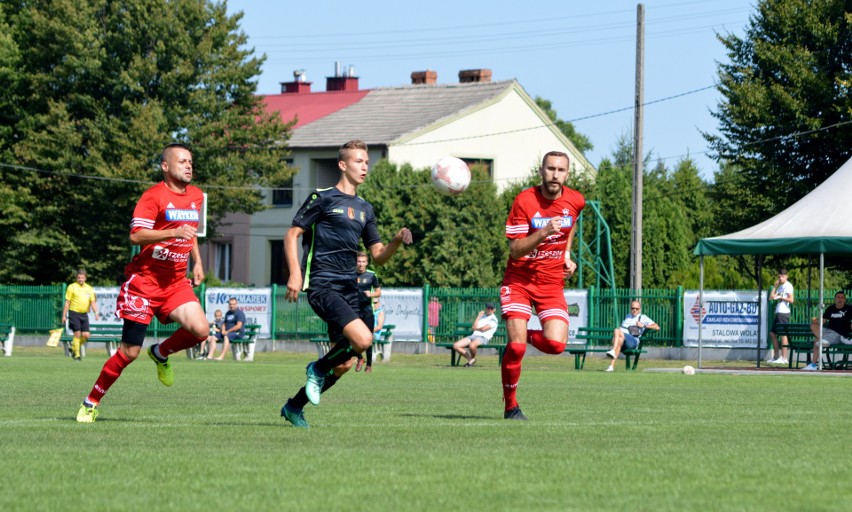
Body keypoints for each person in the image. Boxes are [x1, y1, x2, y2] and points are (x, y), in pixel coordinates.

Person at [280, 140, 413, 429]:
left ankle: (294, 406)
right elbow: (291, 235)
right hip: (322, 284)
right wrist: (294, 274)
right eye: (358, 161)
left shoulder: (365, 208)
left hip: (349, 288)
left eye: (367, 162)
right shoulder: (323, 198)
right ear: (343, 165)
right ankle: (316, 368)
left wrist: (396, 240)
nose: (364, 166)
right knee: (363, 340)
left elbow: (377, 256)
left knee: (344, 363)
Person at [75, 143, 209, 423]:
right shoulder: (153, 196)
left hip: (175, 283)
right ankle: (91, 402)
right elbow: (136, 236)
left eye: (191, 162)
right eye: (182, 161)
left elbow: (190, 232)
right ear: (165, 166)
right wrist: (171, 231)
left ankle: (161, 352)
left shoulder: (196, 196)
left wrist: (197, 261)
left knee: (201, 330)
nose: (188, 166)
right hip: (144, 284)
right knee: (129, 352)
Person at [499, 151, 585, 421]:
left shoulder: (576, 200)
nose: (555, 175)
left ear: (567, 174)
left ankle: (524, 336)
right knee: (516, 348)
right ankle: (511, 407)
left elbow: (571, 224)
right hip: (520, 280)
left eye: (560, 170)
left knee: (556, 345)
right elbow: (515, 250)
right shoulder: (524, 201)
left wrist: (567, 255)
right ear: (541, 170)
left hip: (551, 283)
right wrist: (544, 232)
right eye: (550, 169)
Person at [802, 291, 852, 371]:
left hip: (839, 335)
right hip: (828, 332)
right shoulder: (830, 308)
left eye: (842, 297)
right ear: (835, 299)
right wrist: (817, 321)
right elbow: (823, 321)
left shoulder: (849, 308)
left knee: (816, 340)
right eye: (838, 297)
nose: (840, 299)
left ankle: (813, 363)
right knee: (813, 326)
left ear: (845, 300)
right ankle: (813, 365)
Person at [605, 301, 660, 372]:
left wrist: (643, 325)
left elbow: (657, 327)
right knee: (620, 340)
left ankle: (613, 350)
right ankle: (611, 366)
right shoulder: (627, 316)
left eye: (636, 309)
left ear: (639, 309)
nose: (634, 310)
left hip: (633, 341)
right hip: (623, 339)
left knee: (616, 330)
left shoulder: (642, 317)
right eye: (632, 308)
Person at [61, 269, 99, 361]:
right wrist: (64, 315)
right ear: (76, 278)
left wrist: (96, 313)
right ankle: (77, 355)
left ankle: (74, 347)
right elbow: (67, 302)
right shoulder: (72, 287)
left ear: (85, 278)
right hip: (74, 313)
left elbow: (92, 302)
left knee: (86, 335)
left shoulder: (89, 288)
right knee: (77, 334)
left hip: (84, 314)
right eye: (78, 277)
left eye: (82, 278)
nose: (80, 279)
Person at [354, 251, 381, 373]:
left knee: (368, 338)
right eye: (359, 261)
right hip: (353, 310)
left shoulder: (371, 275)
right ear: (356, 262)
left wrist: (372, 294)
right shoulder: (350, 274)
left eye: (363, 261)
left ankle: (369, 365)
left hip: (367, 311)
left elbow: (378, 292)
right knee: (351, 337)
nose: (361, 264)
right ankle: (360, 358)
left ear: (367, 262)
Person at [452, 303, 499, 367]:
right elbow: (473, 327)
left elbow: (483, 329)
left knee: (472, 346)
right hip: (473, 336)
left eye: (491, 308)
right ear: (486, 308)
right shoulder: (482, 316)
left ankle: (471, 360)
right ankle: (471, 360)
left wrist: (476, 328)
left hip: (483, 337)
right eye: (488, 308)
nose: (490, 309)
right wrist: (478, 316)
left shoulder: (494, 319)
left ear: (494, 310)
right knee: (456, 345)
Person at [767, 268, 794, 365]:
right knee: (772, 333)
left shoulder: (788, 286)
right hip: (778, 312)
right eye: (779, 277)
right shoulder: (781, 287)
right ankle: (776, 356)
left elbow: (791, 300)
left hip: (783, 313)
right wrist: (775, 286)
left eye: (782, 276)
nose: (781, 278)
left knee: (783, 334)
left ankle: (784, 357)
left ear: (786, 276)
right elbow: (771, 297)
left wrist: (781, 297)